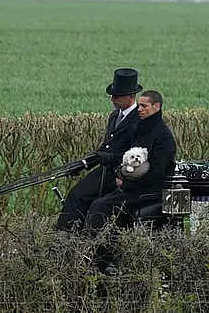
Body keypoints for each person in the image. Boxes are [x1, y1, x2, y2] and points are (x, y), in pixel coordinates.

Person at [85, 89, 177, 275]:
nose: (140, 109)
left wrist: (128, 185)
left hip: (150, 190)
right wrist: (120, 174)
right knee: (97, 201)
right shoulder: (140, 129)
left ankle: (97, 256)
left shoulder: (163, 136)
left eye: (144, 106)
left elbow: (157, 172)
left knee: (101, 206)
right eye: (139, 105)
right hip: (132, 186)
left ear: (156, 107)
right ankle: (104, 256)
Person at [54, 68, 142, 233]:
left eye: (117, 96)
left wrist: (108, 158)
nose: (112, 99)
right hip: (105, 170)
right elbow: (105, 146)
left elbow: (135, 155)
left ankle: (71, 237)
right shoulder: (114, 116)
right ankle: (67, 236)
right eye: (112, 95)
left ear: (130, 96)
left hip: (120, 173)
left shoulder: (138, 120)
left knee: (83, 198)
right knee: (76, 195)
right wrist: (83, 164)